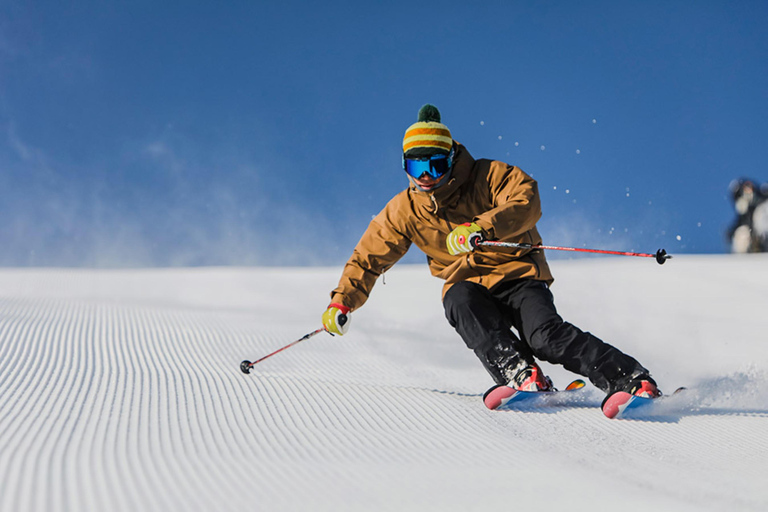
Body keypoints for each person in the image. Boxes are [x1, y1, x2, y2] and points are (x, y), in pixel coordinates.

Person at [321, 104, 660, 406]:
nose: (426, 177)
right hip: (468, 284)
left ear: (451, 158)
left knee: (544, 337)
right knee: (458, 300)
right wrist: (343, 301)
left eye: (435, 165)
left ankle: (630, 378)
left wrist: (481, 227)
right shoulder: (404, 210)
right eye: (416, 165)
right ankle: (519, 374)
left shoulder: (487, 176)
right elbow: (368, 256)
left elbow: (526, 199)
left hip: (518, 274)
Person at [727, 178, 768, 253]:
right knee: (741, 233)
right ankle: (745, 260)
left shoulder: (763, 199)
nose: (748, 192)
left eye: (749, 188)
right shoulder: (745, 215)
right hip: (758, 245)